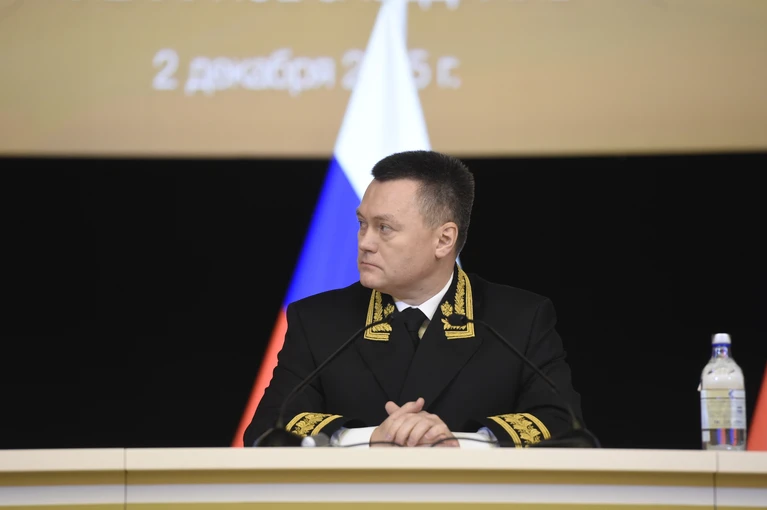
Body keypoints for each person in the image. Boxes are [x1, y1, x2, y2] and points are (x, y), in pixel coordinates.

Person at [244, 150, 584, 448]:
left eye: (384, 228)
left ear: (444, 240)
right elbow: (266, 431)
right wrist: (368, 439)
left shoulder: (520, 320)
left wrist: (461, 444)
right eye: (362, 223)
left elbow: (564, 428)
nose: (364, 242)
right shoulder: (317, 320)